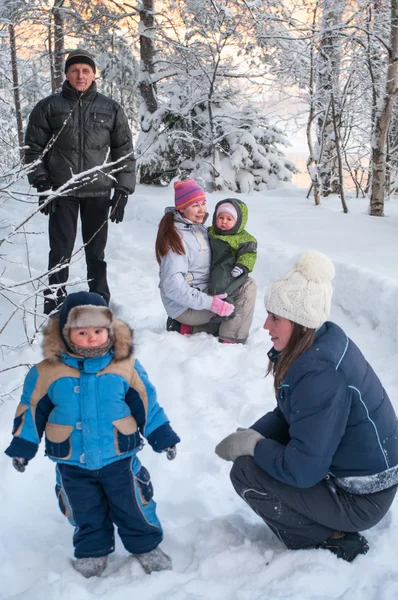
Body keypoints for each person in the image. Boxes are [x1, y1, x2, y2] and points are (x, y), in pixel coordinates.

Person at [215, 250, 398, 562]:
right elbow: (292, 417)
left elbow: (303, 470)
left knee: (245, 472)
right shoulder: (318, 345)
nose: (265, 327)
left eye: (275, 318)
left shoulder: (320, 374)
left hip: (362, 498)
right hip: (364, 481)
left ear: (300, 322)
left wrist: (254, 447)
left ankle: (327, 538)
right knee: (258, 454)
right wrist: (252, 435)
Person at [5, 291, 180, 578]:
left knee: (134, 504)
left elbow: (146, 403)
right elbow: (32, 409)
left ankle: (146, 546)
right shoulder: (46, 372)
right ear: (65, 333)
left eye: (98, 331)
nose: (91, 337)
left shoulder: (126, 366)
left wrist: (162, 435)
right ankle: (92, 552)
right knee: (84, 512)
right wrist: (23, 446)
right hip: (73, 463)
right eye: (82, 331)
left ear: (109, 330)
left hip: (119, 459)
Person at [25, 49, 136, 315]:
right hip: (62, 192)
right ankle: (54, 305)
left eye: (86, 70)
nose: (80, 75)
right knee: (60, 251)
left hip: (98, 192)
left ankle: (99, 302)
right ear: (66, 74)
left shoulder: (110, 108)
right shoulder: (49, 107)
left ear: (94, 74)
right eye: (75, 70)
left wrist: (122, 189)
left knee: (96, 254)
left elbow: (124, 151)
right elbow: (32, 150)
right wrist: (42, 182)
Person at [155, 179, 257, 343]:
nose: (201, 210)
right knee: (247, 285)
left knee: (235, 282)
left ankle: (189, 328)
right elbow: (172, 286)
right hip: (185, 308)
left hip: (194, 299)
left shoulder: (195, 228)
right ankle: (231, 337)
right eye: (195, 205)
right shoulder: (178, 238)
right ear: (181, 207)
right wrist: (210, 303)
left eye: (203, 203)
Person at [207, 198, 257, 302]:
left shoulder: (244, 239)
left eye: (229, 219)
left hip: (229, 268)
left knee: (220, 286)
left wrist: (242, 266)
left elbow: (249, 254)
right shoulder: (211, 231)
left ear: (238, 221)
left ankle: (226, 306)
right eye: (221, 217)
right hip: (212, 264)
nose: (224, 221)